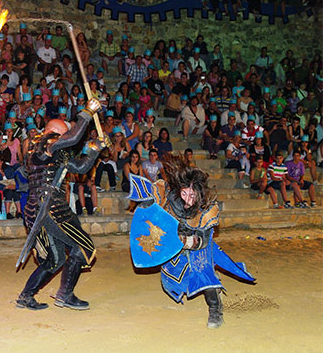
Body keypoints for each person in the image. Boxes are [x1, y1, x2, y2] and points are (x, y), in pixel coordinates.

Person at [129, 156, 255, 328]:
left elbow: (203, 240)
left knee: (202, 271)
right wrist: (147, 204)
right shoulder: (168, 198)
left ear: (198, 193)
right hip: (176, 248)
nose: (188, 199)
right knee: (171, 282)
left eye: (192, 194)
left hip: (198, 246)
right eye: (184, 193)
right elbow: (152, 209)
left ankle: (215, 308)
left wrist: (189, 241)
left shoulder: (206, 210)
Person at [16, 98, 106, 311]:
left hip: (43, 208)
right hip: (49, 208)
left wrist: (95, 148)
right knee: (83, 245)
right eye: (62, 134)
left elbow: (81, 168)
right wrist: (88, 112)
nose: (64, 138)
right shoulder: (42, 145)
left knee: (54, 259)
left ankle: (26, 296)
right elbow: (73, 138)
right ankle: (65, 294)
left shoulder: (55, 152)